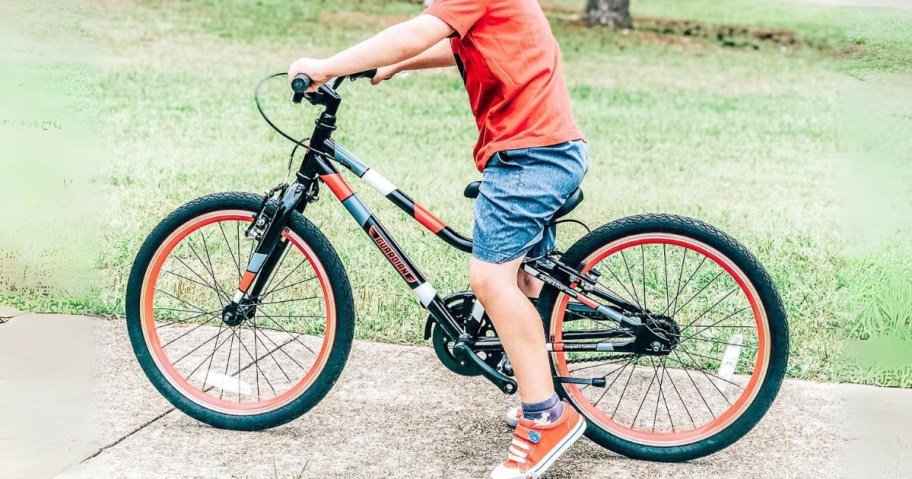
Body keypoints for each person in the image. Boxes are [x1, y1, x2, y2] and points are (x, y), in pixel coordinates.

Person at [288, 1, 589, 477]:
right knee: (527, 280)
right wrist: (395, 63)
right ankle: (540, 385)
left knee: (491, 281)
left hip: (529, 157)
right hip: (540, 148)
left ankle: (546, 416)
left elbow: (418, 31)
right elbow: (458, 43)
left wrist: (326, 66)